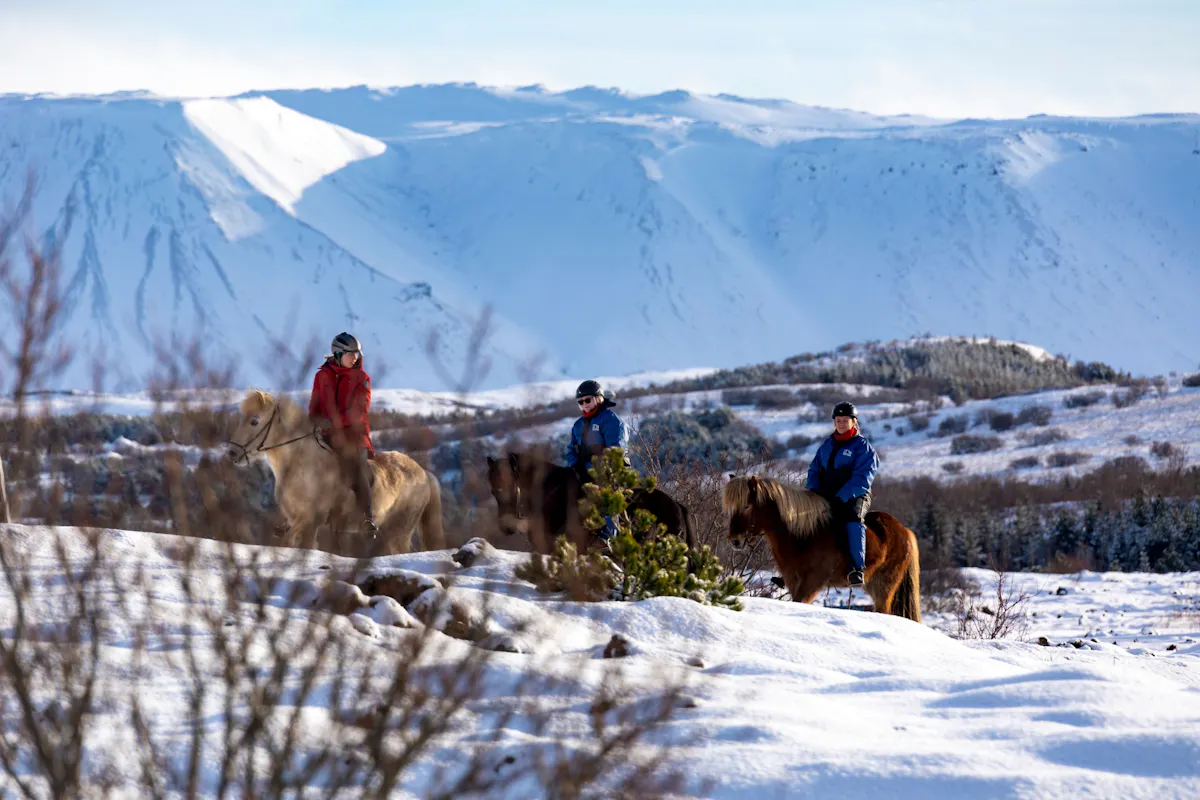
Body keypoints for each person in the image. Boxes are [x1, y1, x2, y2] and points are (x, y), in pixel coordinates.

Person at [805, 401, 879, 587]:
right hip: (827, 495)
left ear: (854, 422)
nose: (841, 424)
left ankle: (856, 568)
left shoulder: (862, 446)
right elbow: (814, 469)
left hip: (855, 495)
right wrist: (813, 492)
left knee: (852, 520)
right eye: (838, 420)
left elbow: (863, 477)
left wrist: (842, 496)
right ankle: (800, 565)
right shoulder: (827, 445)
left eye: (845, 420)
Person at [308, 332, 377, 533]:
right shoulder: (321, 375)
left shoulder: (363, 379)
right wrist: (313, 423)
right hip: (325, 434)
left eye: (357, 353)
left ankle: (367, 517)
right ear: (338, 354)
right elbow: (314, 405)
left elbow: (359, 411)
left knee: (355, 468)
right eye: (350, 353)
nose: (355, 357)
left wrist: (332, 422)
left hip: (354, 436)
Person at [563, 379, 629, 540]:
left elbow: (615, 450)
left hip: (610, 472)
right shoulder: (578, 425)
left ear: (598, 398)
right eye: (580, 402)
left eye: (587, 400)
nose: (584, 404)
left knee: (606, 500)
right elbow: (570, 450)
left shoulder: (611, 420)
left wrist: (593, 469)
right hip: (584, 473)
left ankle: (608, 539)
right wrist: (577, 467)